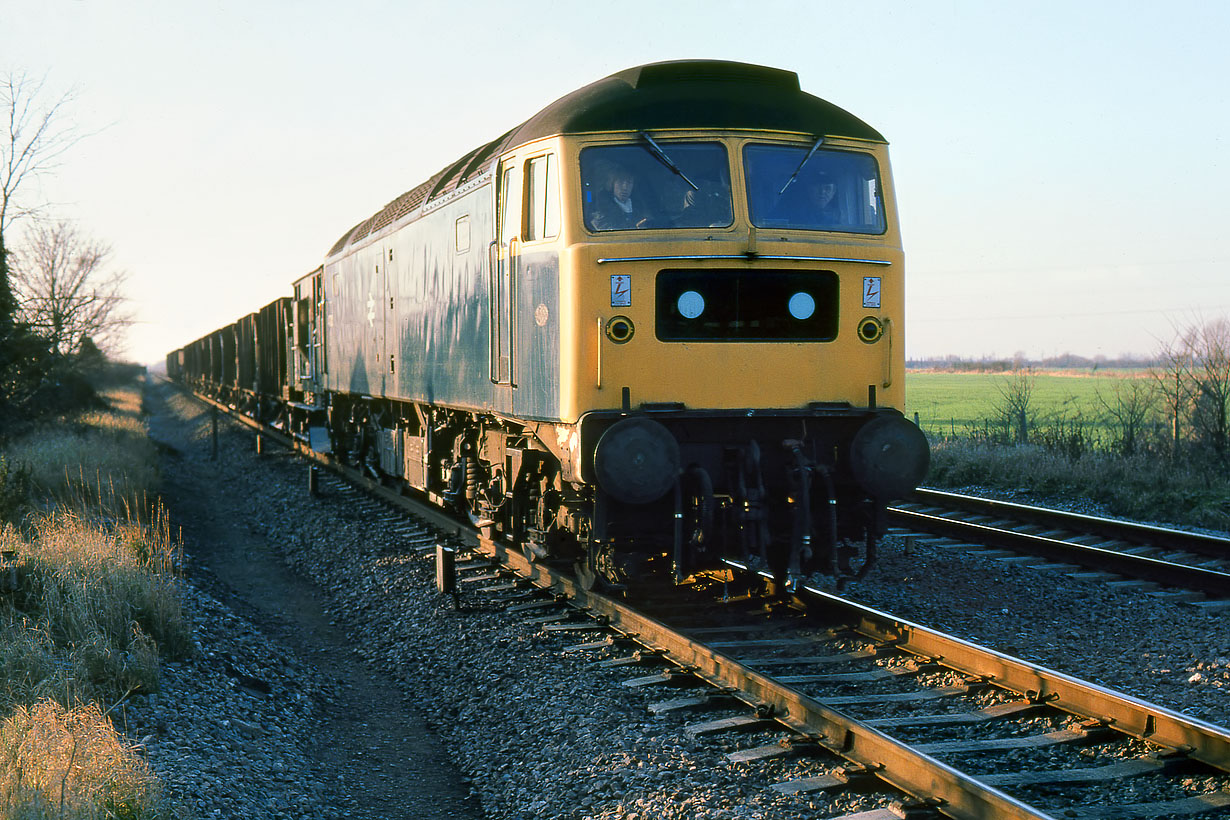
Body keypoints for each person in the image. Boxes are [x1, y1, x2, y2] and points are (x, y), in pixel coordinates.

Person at [589, 165, 657, 230]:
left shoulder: (640, 206)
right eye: (620, 181)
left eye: (629, 182)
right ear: (612, 184)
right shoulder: (600, 208)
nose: (625, 187)